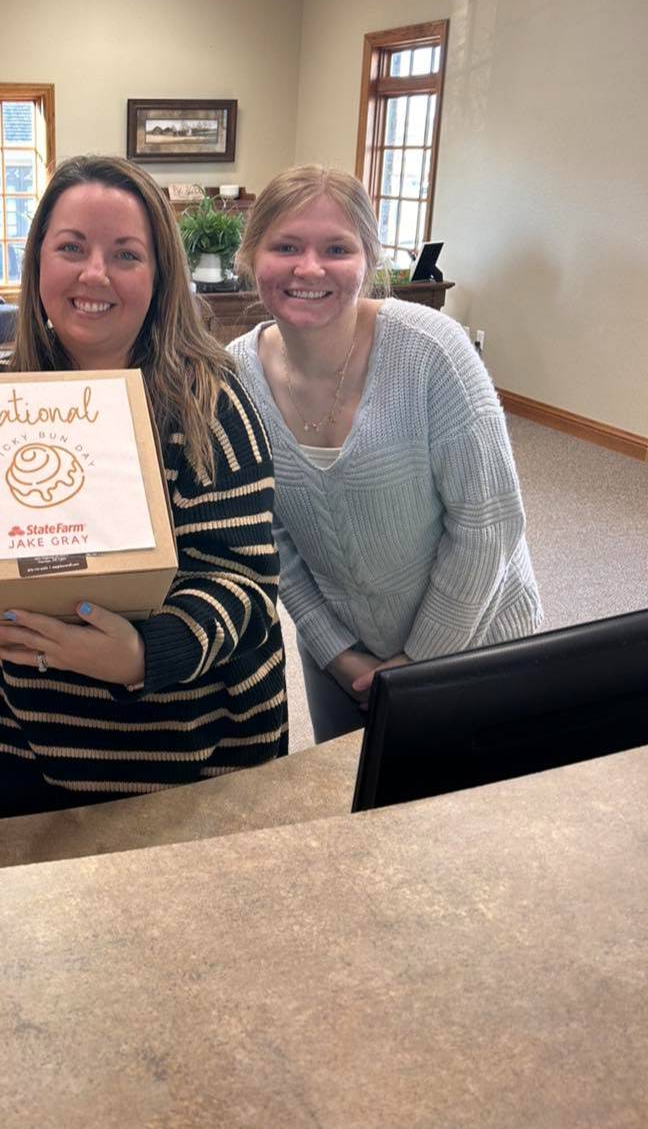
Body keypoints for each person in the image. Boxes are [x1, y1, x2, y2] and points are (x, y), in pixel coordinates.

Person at [0, 154, 288, 819]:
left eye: (126, 255)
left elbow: (246, 588)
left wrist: (144, 654)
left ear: (159, 275)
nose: (94, 275)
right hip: (31, 756)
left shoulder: (210, 402)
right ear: (38, 265)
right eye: (71, 248)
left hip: (198, 766)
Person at [228, 166, 542, 743]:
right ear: (251, 258)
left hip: (477, 641)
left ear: (369, 262)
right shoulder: (235, 376)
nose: (309, 268)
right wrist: (338, 653)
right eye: (286, 246)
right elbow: (268, 538)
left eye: (337, 248)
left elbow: (488, 525)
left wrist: (418, 665)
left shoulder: (431, 350)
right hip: (344, 662)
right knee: (361, 814)